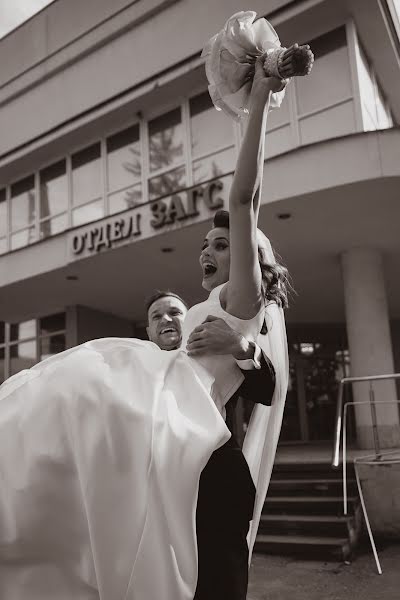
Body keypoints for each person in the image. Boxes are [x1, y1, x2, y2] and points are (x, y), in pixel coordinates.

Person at [0, 54, 292, 600]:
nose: (208, 250)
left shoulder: (239, 302)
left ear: (249, 259)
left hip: (197, 445)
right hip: (167, 441)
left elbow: (243, 195)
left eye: (223, 245)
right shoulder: (200, 315)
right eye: (205, 245)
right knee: (67, 398)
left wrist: (256, 106)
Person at [145, 289, 276, 599]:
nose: (166, 319)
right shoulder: (134, 369)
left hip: (217, 492)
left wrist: (240, 346)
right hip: (157, 498)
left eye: (175, 312)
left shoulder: (211, 350)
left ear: (189, 320)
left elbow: (266, 389)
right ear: (148, 331)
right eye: (156, 316)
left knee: (221, 586)